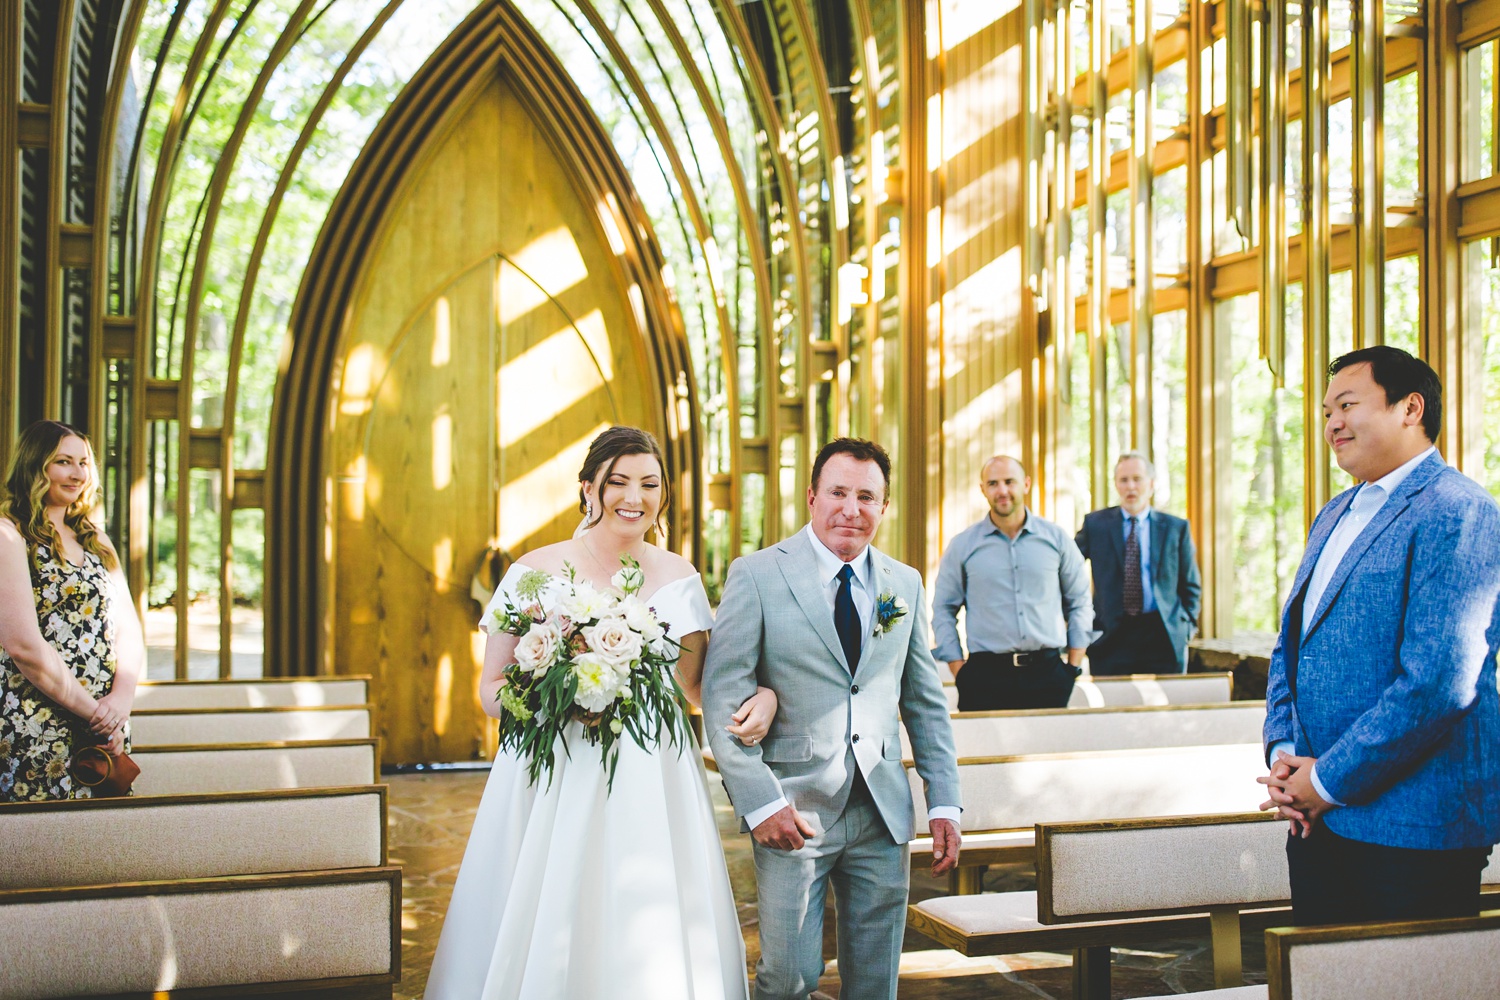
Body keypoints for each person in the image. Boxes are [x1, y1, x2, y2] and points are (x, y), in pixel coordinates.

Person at [424, 426, 777, 1000]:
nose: (633, 497)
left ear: (663, 494)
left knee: (646, 908)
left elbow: (696, 688)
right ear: (588, 488)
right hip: (553, 768)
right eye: (617, 482)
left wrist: (765, 695)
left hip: (650, 771)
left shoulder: (680, 577)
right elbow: (489, 691)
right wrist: (549, 688)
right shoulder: (534, 571)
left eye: (648, 483)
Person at [703, 438, 961, 1000]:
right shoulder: (757, 575)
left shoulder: (905, 584)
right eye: (839, 492)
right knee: (789, 978)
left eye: (867, 496)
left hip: (883, 812)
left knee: (875, 981)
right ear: (812, 496)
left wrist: (943, 802)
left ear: (884, 507)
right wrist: (762, 803)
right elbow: (723, 701)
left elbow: (924, 703)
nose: (852, 509)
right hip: (793, 813)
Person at [1259, 346, 1500, 925]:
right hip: (1315, 820)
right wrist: (1285, 757)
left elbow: (1439, 681)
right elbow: (1291, 649)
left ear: (1410, 408)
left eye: (1347, 405)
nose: (1331, 423)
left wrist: (1330, 779)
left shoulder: (1459, 510)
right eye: (1324, 412)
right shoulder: (1334, 513)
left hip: (1414, 831)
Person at [1, 420, 142, 801]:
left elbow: (128, 628)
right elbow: (22, 645)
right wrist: (93, 711)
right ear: (35, 466)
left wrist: (120, 702)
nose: (78, 473)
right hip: (37, 718)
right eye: (63, 461)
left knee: (104, 839)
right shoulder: (9, 533)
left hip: (104, 724)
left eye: (84, 463)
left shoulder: (94, 537)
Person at [932, 454, 1094, 710]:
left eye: (1010, 481)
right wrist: (958, 669)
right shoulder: (963, 546)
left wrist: (1073, 665)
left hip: (1049, 675)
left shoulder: (1056, 539)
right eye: (993, 483)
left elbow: (1080, 601)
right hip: (984, 678)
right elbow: (943, 608)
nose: (1002, 490)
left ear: (1026, 484)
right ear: (983, 489)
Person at [1074, 451, 1201, 675]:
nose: (1130, 487)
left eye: (1137, 479)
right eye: (1123, 480)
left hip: (1163, 633)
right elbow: (1068, 566)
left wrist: (1186, 627)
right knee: (1114, 705)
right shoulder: (1096, 525)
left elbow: (1190, 584)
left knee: (1167, 706)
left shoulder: (1175, 528)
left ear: (1151, 484)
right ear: (1116, 485)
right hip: (1111, 635)